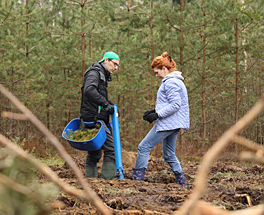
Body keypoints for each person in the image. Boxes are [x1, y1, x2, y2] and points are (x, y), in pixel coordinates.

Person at [133, 52, 189, 188]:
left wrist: (157, 115)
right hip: (174, 122)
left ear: (164, 69)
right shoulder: (176, 81)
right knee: (169, 154)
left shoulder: (170, 82)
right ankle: (182, 183)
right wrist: (154, 112)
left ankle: (137, 181)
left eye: (157, 72)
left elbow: (175, 105)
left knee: (144, 147)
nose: (156, 75)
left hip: (169, 122)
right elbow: (171, 103)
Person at [78, 50, 120, 181]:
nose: (116, 68)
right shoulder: (94, 73)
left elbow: (97, 95)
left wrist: (108, 103)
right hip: (94, 119)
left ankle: (91, 181)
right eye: (114, 64)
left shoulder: (101, 74)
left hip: (94, 117)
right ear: (106, 60)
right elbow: (89, 90)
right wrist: (105, 103)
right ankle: (108, 182)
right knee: (110, 149)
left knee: (95, 151)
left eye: (118, 66)